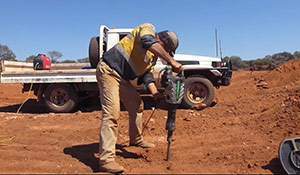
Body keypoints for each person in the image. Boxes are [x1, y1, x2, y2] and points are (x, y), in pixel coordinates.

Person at [96, 23, 182, 173]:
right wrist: (171, 61)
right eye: (167, 50)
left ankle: (136, 139)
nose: (165, 53)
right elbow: (148, 41)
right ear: (161, 41)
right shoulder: (148, 28)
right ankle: (106, 160)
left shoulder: (152, 57)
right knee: (112, 114)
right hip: (108, 70)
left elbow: (146, 75)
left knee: (137, 103)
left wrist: (155, 93)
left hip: (122, 78)